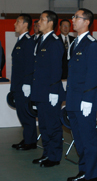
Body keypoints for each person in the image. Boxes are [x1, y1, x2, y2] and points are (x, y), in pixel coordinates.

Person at [66, 8, 97, 181]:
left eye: (77, 17)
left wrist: (88, 99)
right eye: (73, 17)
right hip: (73, 98)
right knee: (78, 138)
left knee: (88, 139)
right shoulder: (75, 43)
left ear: (87, 21)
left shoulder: (91, 44)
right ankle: (83, 170)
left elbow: (93, 74)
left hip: (84, 100)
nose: (73, 20)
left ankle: (92, 174)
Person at [31, 10, 65, 167]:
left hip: (50, 92)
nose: (38, 22)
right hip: (40, 91)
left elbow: (56, 69)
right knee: (43, 126)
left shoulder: (55, 42)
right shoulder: (41, 40)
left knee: (52, 125)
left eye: (42, 19)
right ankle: (47, 153)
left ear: (50, 22)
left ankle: (54, 156)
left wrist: (53, 90)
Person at [11, 13, 37, 150]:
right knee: (21, 112)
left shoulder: (28, 41)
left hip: (24, 85)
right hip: (18, 84)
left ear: (25, 25)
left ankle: (31, 142)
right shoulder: (21, 40)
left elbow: (29, 64)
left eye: (18, 22)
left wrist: (27, 83)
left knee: (26, 113)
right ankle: (28, 138)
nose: (15, 24)